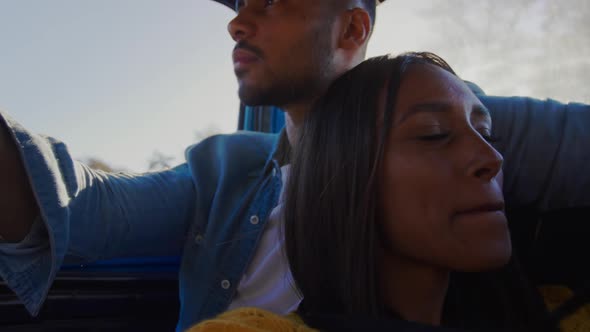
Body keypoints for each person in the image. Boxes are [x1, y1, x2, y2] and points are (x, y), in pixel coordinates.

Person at [0, 1, 588, 331]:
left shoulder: (467, 115)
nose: (238, 21)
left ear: (352, 27)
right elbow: (85, 206)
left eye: (273, 1)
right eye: (240, 5)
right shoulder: (224, 172)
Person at [190, 52, 557, 332]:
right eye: (433, 133)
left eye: (486, 132)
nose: (491, 157)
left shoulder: (555, 307)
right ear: (346, 176)